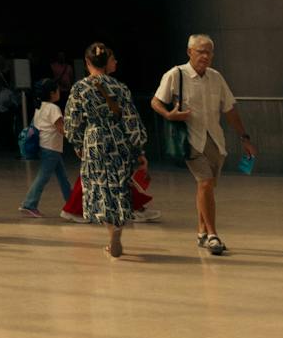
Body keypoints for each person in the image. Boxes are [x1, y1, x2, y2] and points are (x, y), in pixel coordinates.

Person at [151, 33, 255, 255]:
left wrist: (244, 138)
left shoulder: (216, 77)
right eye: (201, 51)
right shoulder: (176, 74)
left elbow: (229, 109)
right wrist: (169, 115)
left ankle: (200, 231)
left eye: (209, 52)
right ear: (190, 52)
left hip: (215, 141)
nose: (205, 56)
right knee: (205, 183)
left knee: (206, 188)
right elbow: (155, 101)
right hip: (191, 141)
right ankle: (213, 235)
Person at [66, 42, 148, 259]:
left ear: (87, 62)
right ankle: (118, 228)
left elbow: (72, 122)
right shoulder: (120, 88)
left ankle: (110, 228)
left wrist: (76, 143)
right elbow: (131, 119)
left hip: (94, 140)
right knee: (118, 185)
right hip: (118, 139)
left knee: (100, 187)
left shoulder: (80, 88)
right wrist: (138, 148)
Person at [19, 77, 72, 217]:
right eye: (57, 90)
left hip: (46, 147)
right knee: (43, 177)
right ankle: (29, 204)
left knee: (63, 177)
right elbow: (61, 129)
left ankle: (72, 203)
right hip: (51, 148)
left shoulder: (40, 107)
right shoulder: (53, 108)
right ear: (52, 93)